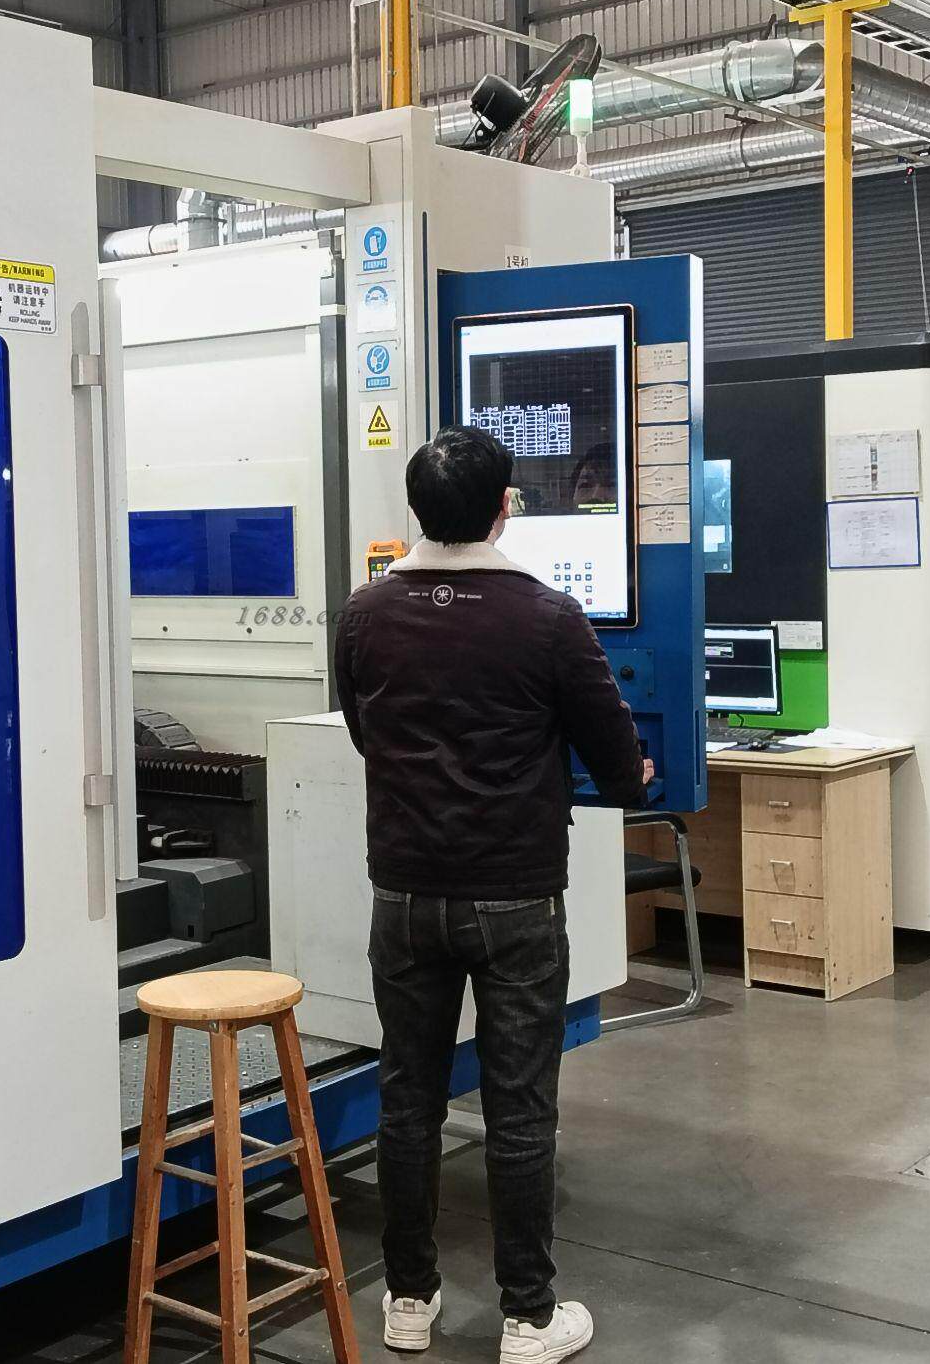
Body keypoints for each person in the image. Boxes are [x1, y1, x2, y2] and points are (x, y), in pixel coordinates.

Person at [332, 424, 655, 1363]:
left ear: (414, 510)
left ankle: (407, 1299)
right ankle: (528, 1317)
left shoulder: (363, 614)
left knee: (408, 1100)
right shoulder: (548, 617)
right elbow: (616, 757)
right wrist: (628, 774)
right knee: (520, 1110)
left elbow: (364, 732)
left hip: (403, 894)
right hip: (515, 897)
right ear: (506, 508)